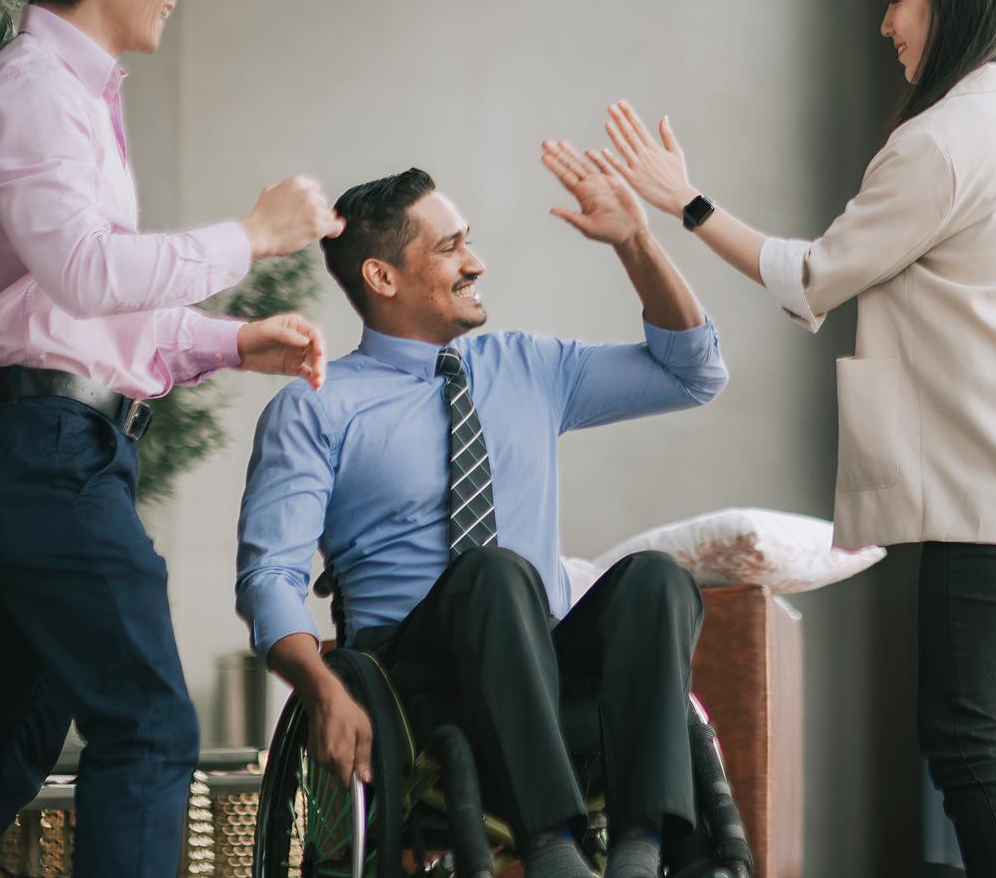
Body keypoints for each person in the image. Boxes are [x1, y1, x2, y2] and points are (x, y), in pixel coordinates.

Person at [597, 0, 996, 878]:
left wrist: (685, 201)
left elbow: (811, 275)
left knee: (971, 741)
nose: (884, 23)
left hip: (994, 492)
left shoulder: (940, 143)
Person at [0, 0, 346, 878]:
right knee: (150, 720)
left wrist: (232, 340)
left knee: (2, 750)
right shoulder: (30, 91)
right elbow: (83, 270)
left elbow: (86, 314)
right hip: (43, 451)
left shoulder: (77, 98)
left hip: (60, 444)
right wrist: (253, 234)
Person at [235, 153, 728, 878]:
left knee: (658, 580)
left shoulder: (529, 366)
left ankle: (638, 852)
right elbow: (271, 574)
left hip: (544, 655)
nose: (477, 262)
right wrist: (322, 689)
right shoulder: (316, 405)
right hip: (415, 670)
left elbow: (695, 373)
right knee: (494, 575)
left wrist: (635, 242)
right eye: (450, 246)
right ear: (382, 277)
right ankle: (554, 853)